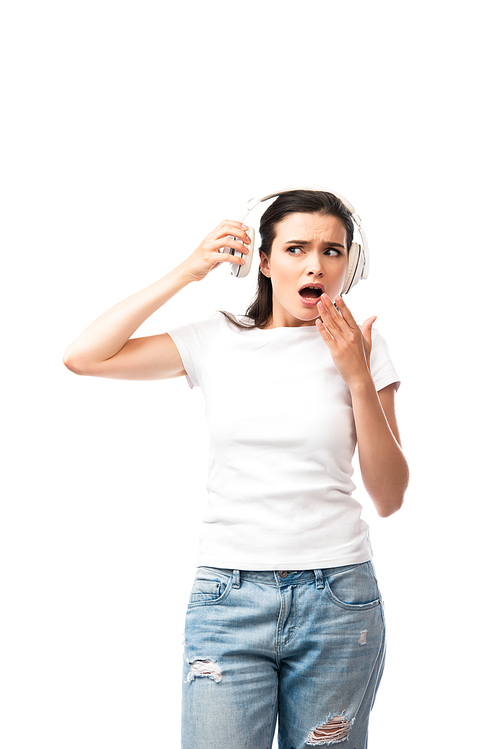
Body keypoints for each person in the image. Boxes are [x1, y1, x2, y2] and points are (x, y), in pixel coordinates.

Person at [64, 189, 409, 748]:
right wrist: (188, 271)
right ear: (265, 263)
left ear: (349, 264)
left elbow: (390, 496)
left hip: (339, 601)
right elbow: (84, 356)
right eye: (296, 248)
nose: (316, 264)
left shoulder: (363, 348)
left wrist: (356, 378)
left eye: (333, 251)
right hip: (229, 598)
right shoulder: (216, 339)